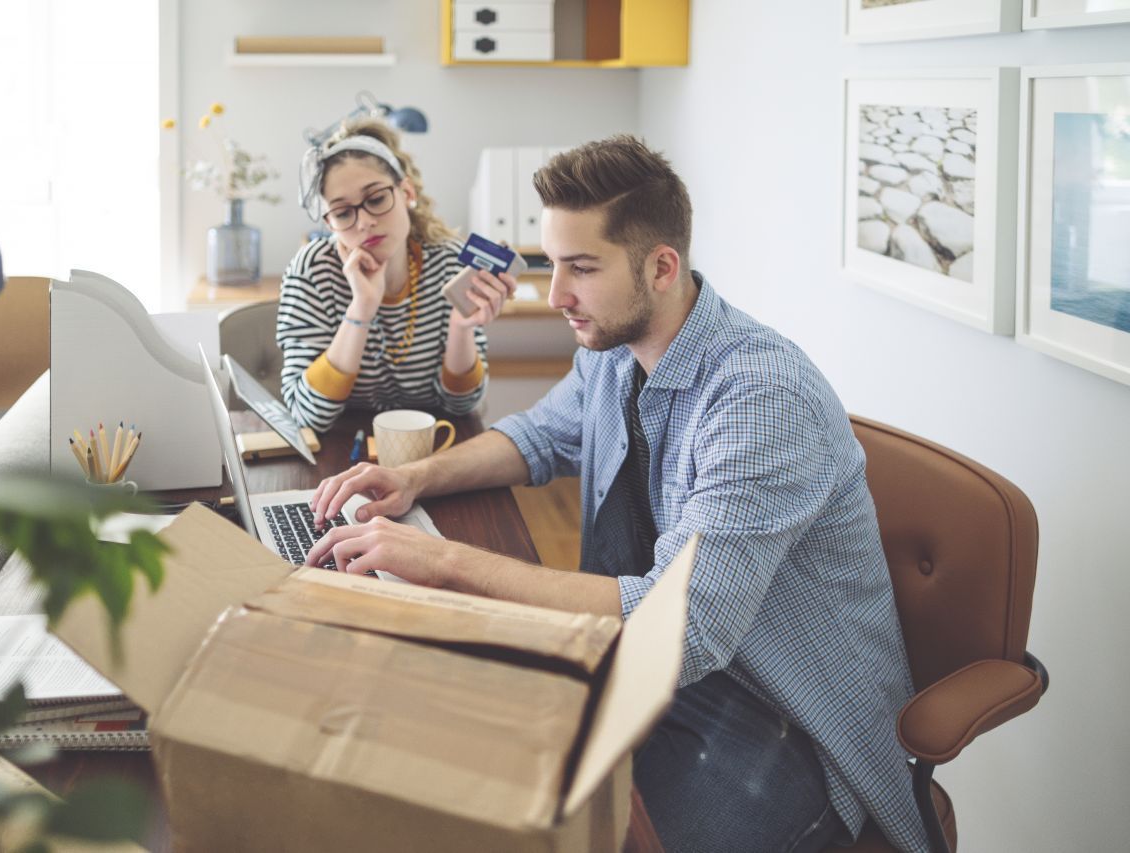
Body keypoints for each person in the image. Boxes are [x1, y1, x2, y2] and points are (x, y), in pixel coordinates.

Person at [303, 136, 929, 852]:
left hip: (784, 723)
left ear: (662, 266)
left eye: (582, 268)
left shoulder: (760, 397)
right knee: (466, 767)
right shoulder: (615, 346)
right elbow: (540, 437)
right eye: (551, 264)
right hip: (647, 674)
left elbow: (683, 629)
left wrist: (444, 564)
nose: (556, 293)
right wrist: (414, 477)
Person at [277, 119, 516, 432]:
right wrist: (361, 308)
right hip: (341, 451)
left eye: (376, 199)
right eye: (343, 213)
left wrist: (461, 328)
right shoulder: (311, 271)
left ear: (406, 192)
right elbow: (308, 414)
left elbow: (462, 406)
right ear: (328, 222)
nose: (364, 222)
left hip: (430, 443)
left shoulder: (450, 263)